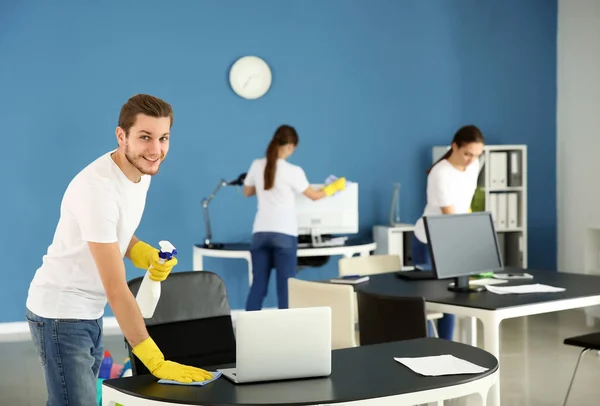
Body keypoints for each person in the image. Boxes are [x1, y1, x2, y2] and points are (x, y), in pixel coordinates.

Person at [25, 94, 212, 405]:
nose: (156, 150)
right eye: (145, 137)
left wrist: (144, 253)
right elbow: (116, 288)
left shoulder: (139, 172)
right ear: (121, 135)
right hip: (61, 313)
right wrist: (154, 359)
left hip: (89, 310)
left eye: (163, 138)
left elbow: (114, 233)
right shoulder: (97, 190)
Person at [243, 124, 346, 311]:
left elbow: (247, 191)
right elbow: (314, 196)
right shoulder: (293, 171)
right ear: (290, 146)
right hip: (284, 233)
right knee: (286, 288)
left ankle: (246, 329)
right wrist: (334, 187)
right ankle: (286, 331)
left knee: (258, 286)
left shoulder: (257, 165)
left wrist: (259, 181)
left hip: (260, 233)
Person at [412, 124, 485, 340]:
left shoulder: (473, 165)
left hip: (452, 237)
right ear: (454, 146)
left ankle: (447, 347)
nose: (471, 160)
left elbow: (465, 204)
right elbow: (449, 215)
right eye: (467, 154)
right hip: (429, 241)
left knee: (450, 300)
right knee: (429, 301)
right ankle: (426, 348)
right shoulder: (440, 173)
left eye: (476, 155)